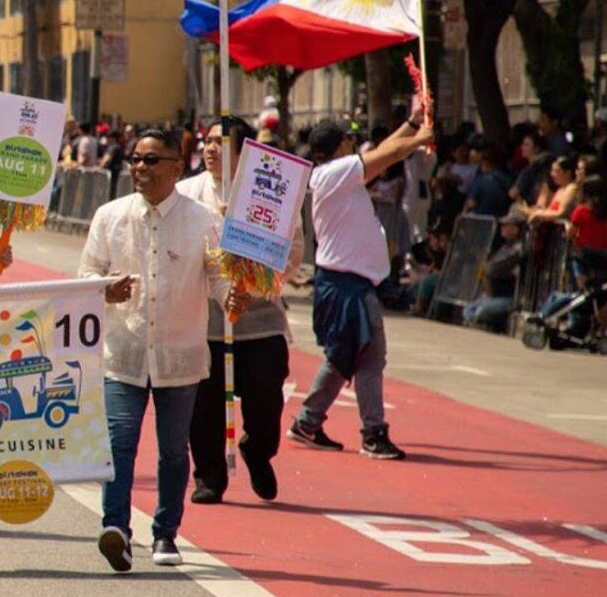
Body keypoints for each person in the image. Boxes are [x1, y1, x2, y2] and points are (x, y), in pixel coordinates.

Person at [78, 129, 237, 572]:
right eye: (136, 160)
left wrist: (232, 298)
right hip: (123, 354)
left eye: (151, 161)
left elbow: (220, 277)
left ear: (176, 165)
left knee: (172, 450)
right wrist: (104, 291)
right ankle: (116, 530)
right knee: (119, 444)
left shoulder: (204, 220)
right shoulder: (109, 216)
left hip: (179, 356)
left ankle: (166, 532)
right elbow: (87, 274)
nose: (141, 169)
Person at [289, 109, 433, 461]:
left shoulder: (338, 174)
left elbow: (384, 150)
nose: (355, 145)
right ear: (339, 147)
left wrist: (412, 123)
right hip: (345, 283)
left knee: (344, 356)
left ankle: (309, 420)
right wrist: (419, 140)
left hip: (348, 281)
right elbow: (389, 154)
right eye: (350, 140)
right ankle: (372, 431)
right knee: (368, 356)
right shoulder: (333, 173)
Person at [175, 116, 296, 505]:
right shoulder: (185, 194)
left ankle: (258, 450)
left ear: (244, 150)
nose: (211, 149)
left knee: (266, 398)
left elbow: (293, 254)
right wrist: (220, 287)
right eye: (207, 142)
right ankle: (209, 476)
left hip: (260, 319)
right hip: (205, 321)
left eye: (221, 142)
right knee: (205, 406)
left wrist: (252, 285)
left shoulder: (273, 194)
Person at [462, 209, 528, 331]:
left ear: (515, 229)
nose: (502, 228)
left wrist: (486, 267)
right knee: (468, 309)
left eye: (506, 225)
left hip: (508, 297)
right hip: (492, 295)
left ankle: (486, 324)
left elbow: (491, 268)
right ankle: (478, 322)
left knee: (482, 311)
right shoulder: (505, 246)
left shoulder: (519, 249)